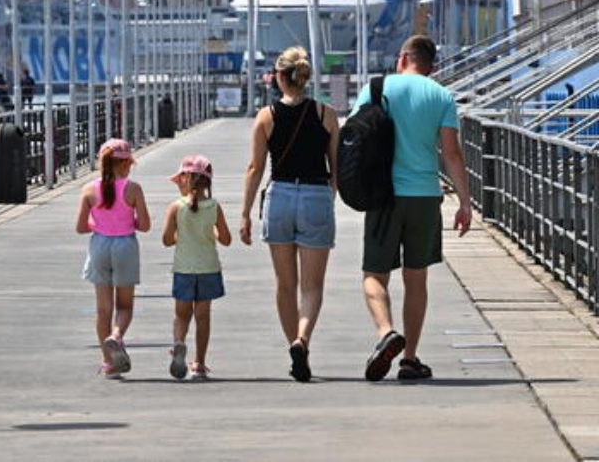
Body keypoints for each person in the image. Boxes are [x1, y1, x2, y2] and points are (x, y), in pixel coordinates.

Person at [356, 34, 472, 382]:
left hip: (384, 195)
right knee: (416, 277)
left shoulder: (376, 89)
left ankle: (386, 332)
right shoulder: (441, 95)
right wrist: (465, 202)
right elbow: (451, 153)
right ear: (431, 66)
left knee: (375, 274)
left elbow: (355, 137)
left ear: (403, 57)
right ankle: (409, 359)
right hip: (424, 196)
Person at [240, 46, 340, 382]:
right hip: (315, 195)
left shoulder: (265, 117)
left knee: (285, 285)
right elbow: (336, 166)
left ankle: (295, 349)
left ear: (279, 78)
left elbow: (255, 168)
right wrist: (331, 198)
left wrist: (245, 213)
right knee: (312, 287)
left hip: (279, 195)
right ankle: (303, 339)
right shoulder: (326, 114)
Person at [75, 138, 151, 379]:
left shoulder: (88, 189)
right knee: (125, 306)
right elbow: (145, 225)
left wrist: (99, 224)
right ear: (127, 163)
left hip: (99, 245)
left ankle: (108, 363)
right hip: (125, 245)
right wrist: (129, 222)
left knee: (103, 309)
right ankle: (116, 336)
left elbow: (80, 227)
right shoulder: (133, 189)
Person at [162, 155, 231, 380]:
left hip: (184, 269)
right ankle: (199, 363)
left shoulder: (175, 207)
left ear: (185, 179)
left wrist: (179, 234)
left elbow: (167, 240)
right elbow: (226, 239)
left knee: (181, 316)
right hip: (208, 268)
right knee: (203, 317)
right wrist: (211, 232)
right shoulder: (214, 207)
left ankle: (179, 343)